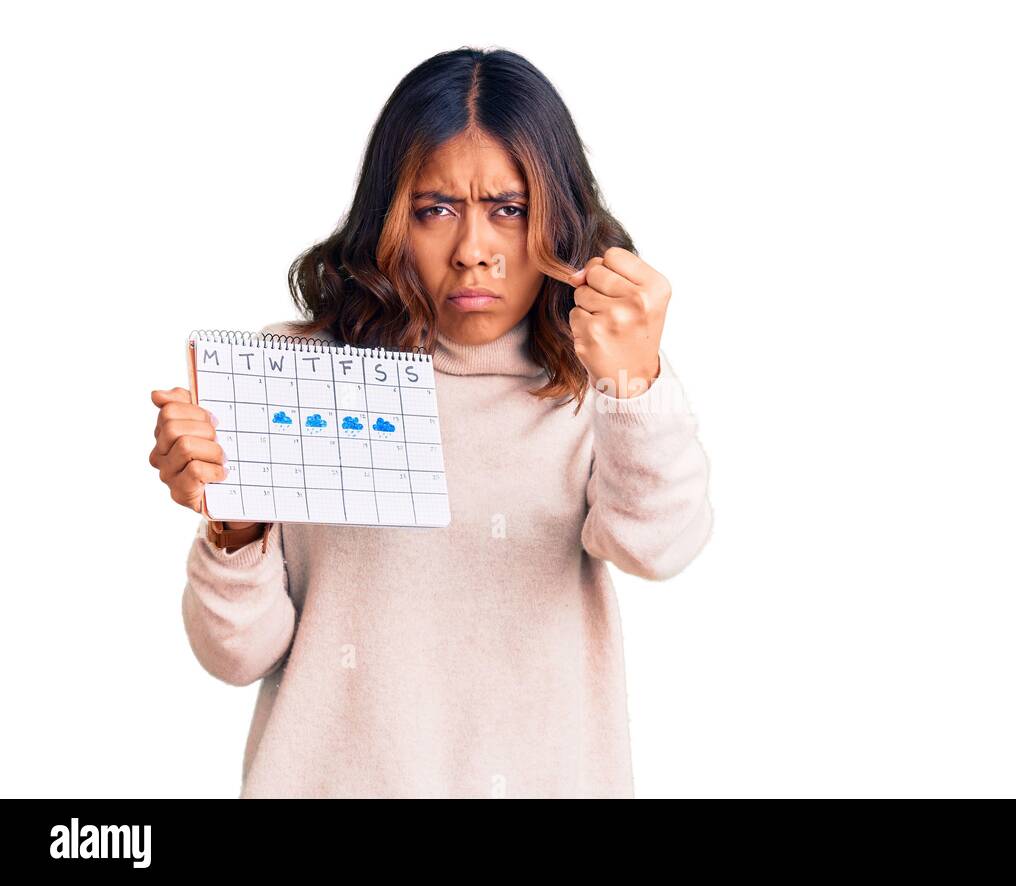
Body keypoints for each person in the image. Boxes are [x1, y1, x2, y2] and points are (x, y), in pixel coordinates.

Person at [147, 47, 712, 798]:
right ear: (391, 218)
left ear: (556, 218)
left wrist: (633, 384)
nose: (474, 252)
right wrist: (235, 524)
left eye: (508, 210)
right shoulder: (297, 375)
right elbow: (234, 655)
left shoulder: (595, 381)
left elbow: (660, 545)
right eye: (435, 210)